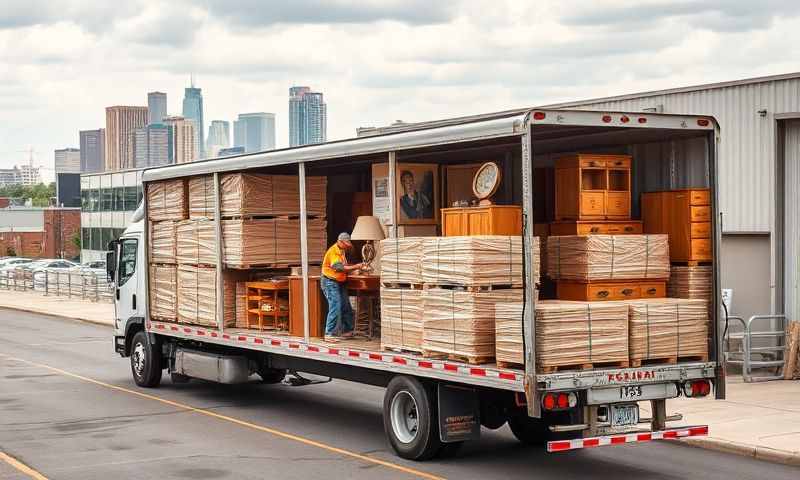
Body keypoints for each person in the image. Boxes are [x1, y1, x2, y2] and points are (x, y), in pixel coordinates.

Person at [320, 232, 365, 342]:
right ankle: (329, 333)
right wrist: (356, 266)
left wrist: (354, 271)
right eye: (346, 244)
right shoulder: (333, 251)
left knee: (345, 305)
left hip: (340, 281)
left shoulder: (342, 251)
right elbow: (339, 268)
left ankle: (347, 331)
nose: (348, 246)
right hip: (330, 282)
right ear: (340, 241)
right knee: (336, 306)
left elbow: (344, 266)